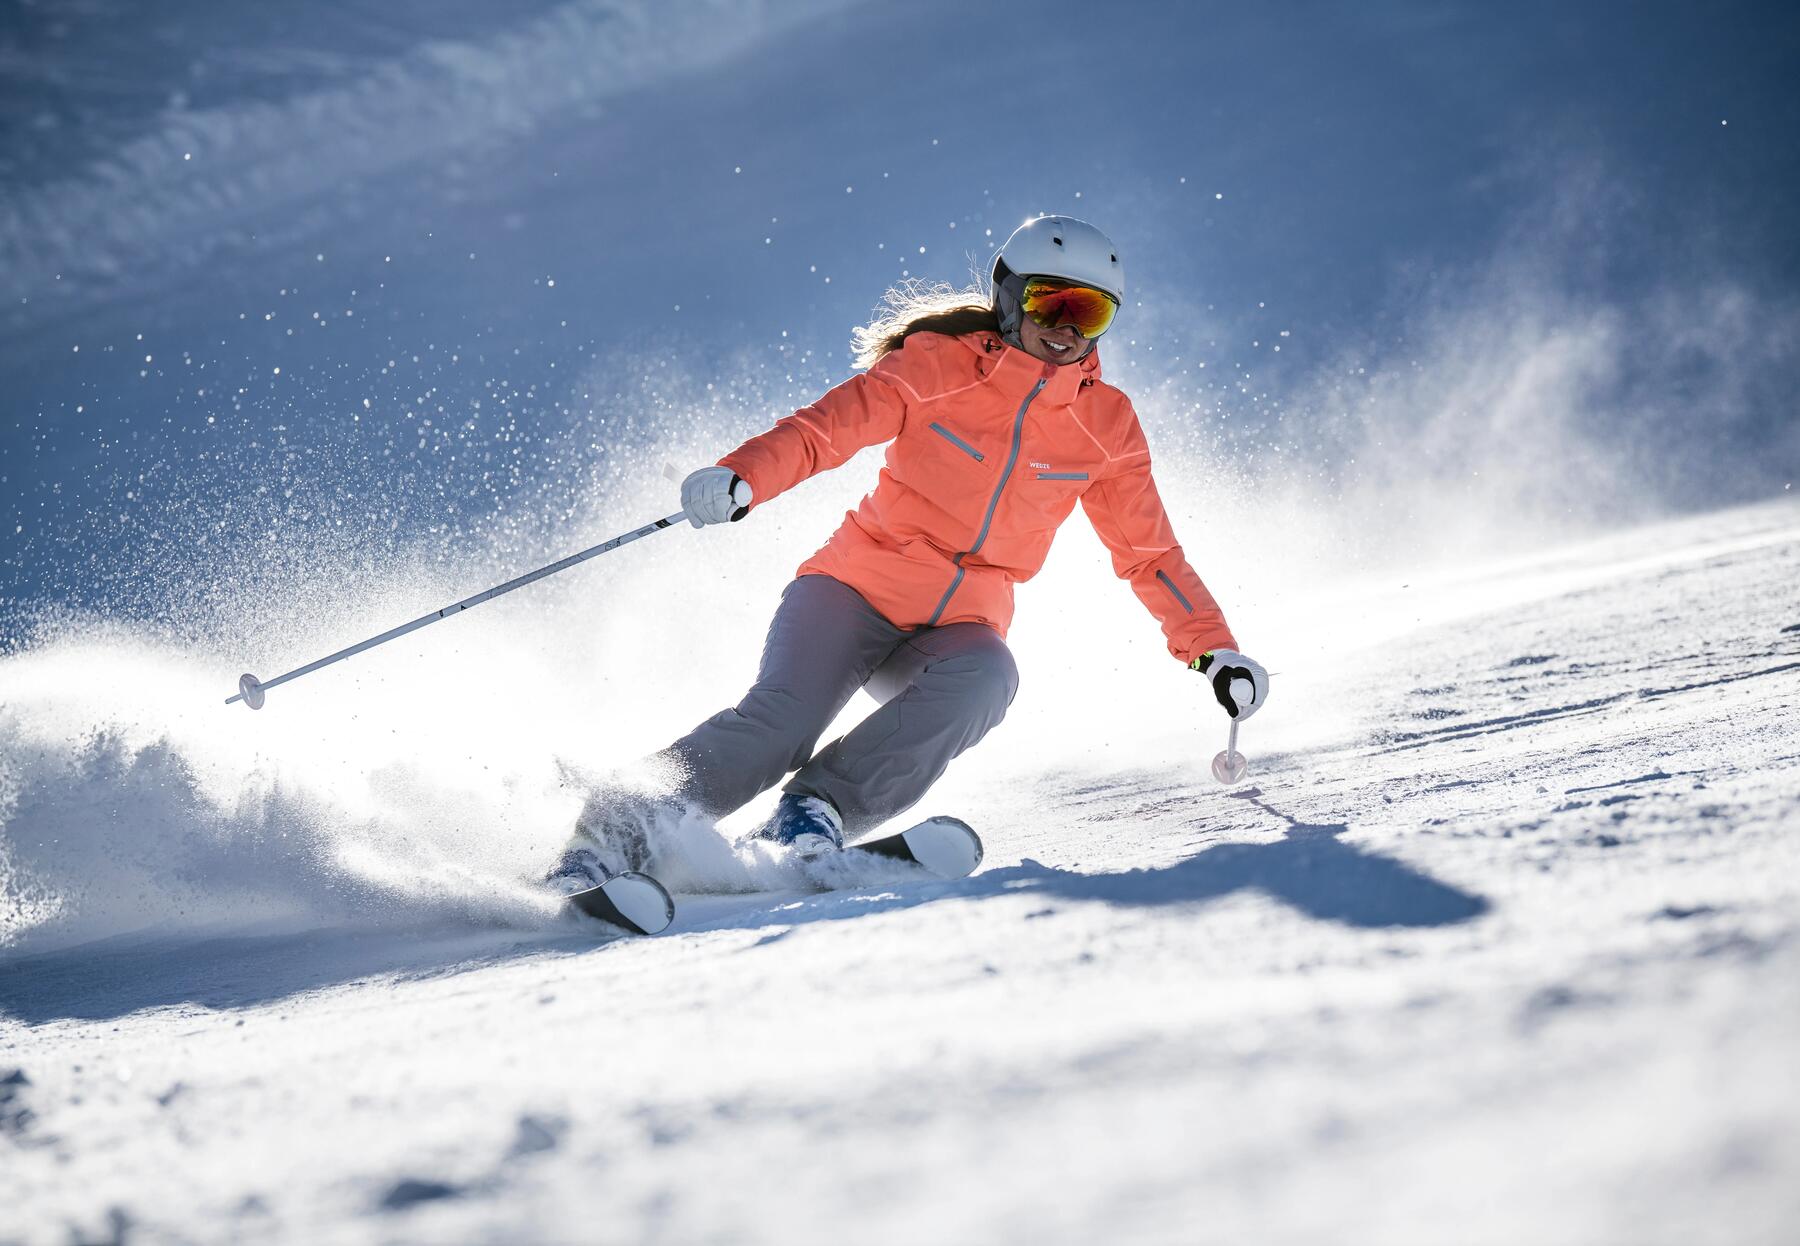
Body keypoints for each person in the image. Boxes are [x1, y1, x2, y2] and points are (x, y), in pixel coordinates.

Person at [547, 215, 1269, 891]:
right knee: (783, 722)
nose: (1066, 328)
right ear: (1012, 299)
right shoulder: (939, 366)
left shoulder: (1106, 425)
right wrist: (744, 475)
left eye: (1091, 313)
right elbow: (827, 428)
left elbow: (1150, 554)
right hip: (852, 591)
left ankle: (813, 814)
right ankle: (613, 830)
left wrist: (1215, 651)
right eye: (1052, 303)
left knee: (989, 679)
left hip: (958, 629)